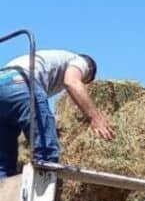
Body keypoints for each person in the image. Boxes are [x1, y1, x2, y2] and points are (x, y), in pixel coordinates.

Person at [1, 50, 113, 179]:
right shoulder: (81, 62)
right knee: (45, 153)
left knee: (3, 162)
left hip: (3, 81)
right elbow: (72, 82)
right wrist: (95, 118)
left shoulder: (51, 62)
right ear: (89, 70)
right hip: (21, 83)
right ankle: (42, 190)